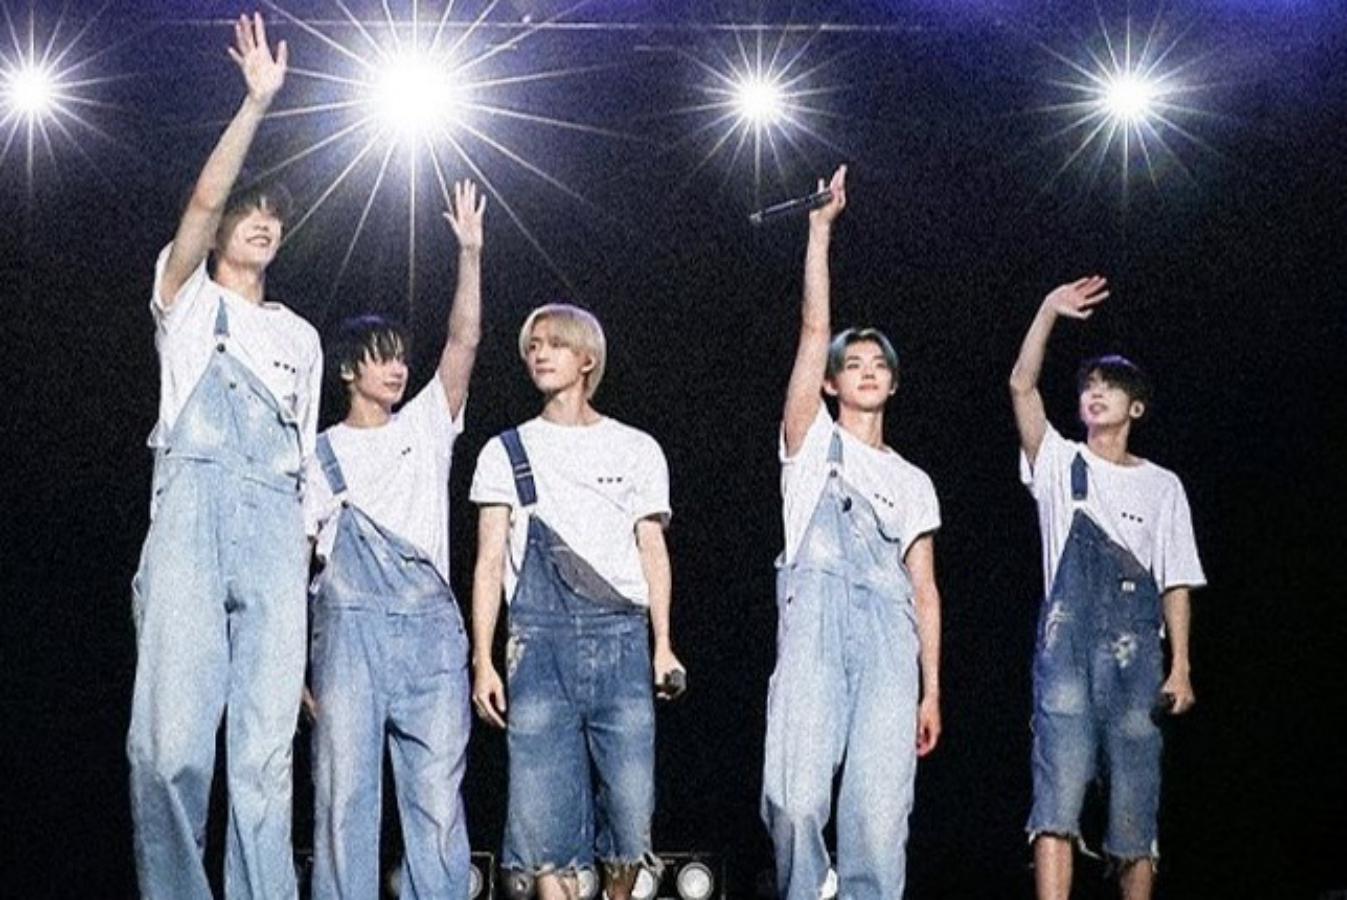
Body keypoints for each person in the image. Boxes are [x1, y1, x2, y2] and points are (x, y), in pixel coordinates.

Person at [127, 14, 319, 898]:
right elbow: (204, 204)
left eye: (274, 216)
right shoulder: (188, 298)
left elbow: (304, 468)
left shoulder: (300, 337)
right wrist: (255, 105)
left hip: (274, 526)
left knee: (265, 757)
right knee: (168, 747)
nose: (262, 224)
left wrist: (303, 573)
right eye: (251, 212)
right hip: (192, 513)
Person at [761, 164, 944, 900]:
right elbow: (814, 330)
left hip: (889, 643)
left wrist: (931, 691)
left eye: (878, 365)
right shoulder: (809, 442)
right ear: (831, 383)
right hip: (813, 627)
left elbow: (924, 591)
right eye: (852, 364)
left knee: (877, 816)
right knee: (794, 798)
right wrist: (819, 234)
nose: (866, 371)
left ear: (893, 383)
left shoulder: (913, 480)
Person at [304, 180, 485, 898]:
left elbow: (463, 341)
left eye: (401, 356)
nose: (397, 367)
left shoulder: (426, 426)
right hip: (348, 633)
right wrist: (292, 667)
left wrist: (469, 254)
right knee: (344, 796)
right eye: (381, 357)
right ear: (349, 369)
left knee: (437, 800)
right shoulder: (319, 453)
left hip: (430, 630)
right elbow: (295, 562)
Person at [469, 303, 684, 900]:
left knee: (631, 821)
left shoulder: (635, 448)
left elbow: (652, 548)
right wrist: (483, 659)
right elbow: (489, 561)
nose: (540, 353)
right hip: (537, 648)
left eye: (555, 344)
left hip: (622, 642)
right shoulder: (505, 450)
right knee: (542, 827)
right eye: (533, 345)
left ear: (587, 359)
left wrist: (664, 645)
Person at [1008, 276, 1206, 900]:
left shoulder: (1163, 486)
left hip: (1135, 657)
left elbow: (1176, 578)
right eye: (1088, 386)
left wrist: (1181, 667)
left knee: (1135, 801)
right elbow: (1021, 386)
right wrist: (1047, 310)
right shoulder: (1058, 462)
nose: (1094, 393)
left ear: (1135, 408)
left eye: (1109, 387)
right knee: (1057, 795)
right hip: (1065, 650)